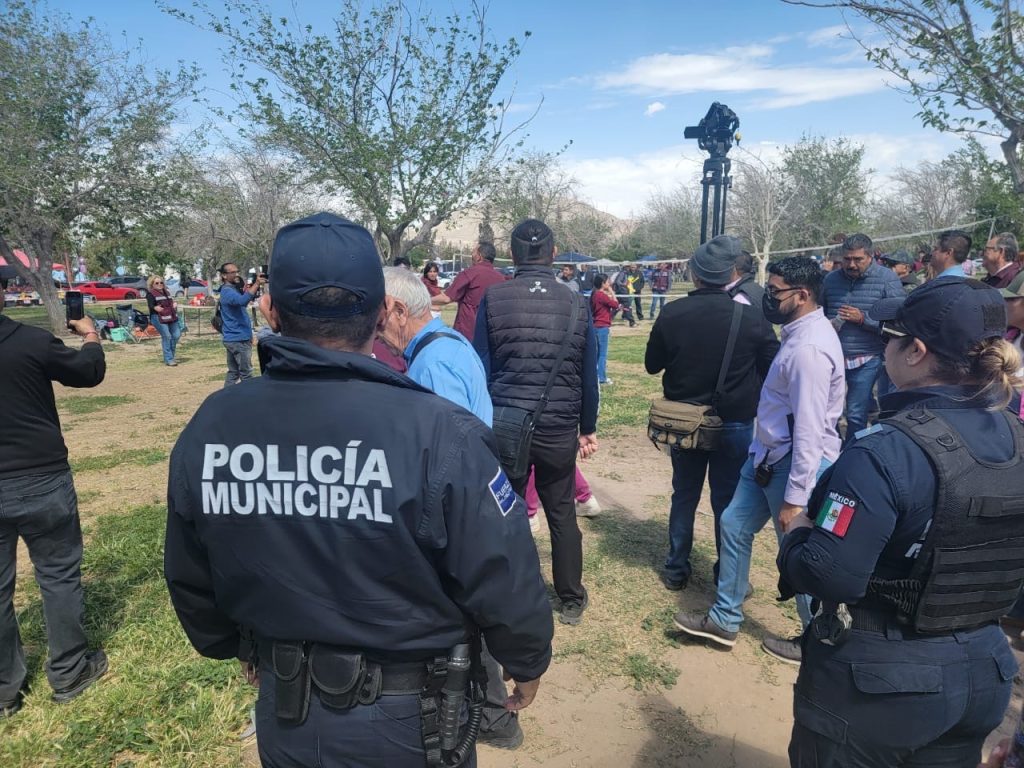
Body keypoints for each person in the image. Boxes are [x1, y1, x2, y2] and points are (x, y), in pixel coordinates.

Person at [164, 212, 553, 768]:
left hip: (292, 711)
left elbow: (189, 567)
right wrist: (527, 657)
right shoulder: (438, 431)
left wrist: (236, 644)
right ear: (382, 311)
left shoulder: (214, 423)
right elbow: (501, 567)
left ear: (269, 310)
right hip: (408, 724)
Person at [780, 277, 1022, 767]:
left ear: (915, 351)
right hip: (983, 671)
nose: (882, 345)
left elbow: (828, 575)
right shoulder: (1015, 435)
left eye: (889, 336)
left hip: (881, 684)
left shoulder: (885, 451)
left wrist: (799, 531)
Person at [377, 266, 524, 751]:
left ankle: (493, 715)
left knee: (466, 613)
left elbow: (444, 454)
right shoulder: (447, 345)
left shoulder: (432, 363)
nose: (375, 331)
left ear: (398, 310)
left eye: (378, 319)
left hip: (460, 509)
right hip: (473, 497)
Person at [674, 257, 845, 664]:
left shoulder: (809, 350)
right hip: (766, 457)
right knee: (734, 525)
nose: (767, 297)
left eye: (774, 291)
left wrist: (796, 498)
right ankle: (725, 619)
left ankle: (818, 640)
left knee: (799, 554)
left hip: (792, 465)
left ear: (802, 295)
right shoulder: (799, 333)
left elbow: (809, 430)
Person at [473, 218, 599, 626]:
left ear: (512, 254)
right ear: (554, 253)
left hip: (507, 421)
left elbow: (482, 365)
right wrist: (587, 427)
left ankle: (510, 591)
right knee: (561, 512)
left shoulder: (494, 298)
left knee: (505, 510)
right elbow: (588, 374)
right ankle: (571, 596)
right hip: (558, 424)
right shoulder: (576, 302)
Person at [646, 235, 780, 592]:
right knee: (728, 500)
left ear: (695, 274)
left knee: (684, 495)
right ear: (732, 274)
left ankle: (676, 568)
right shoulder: (752, 319)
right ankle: (727, 574)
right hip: (734, 422)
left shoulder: (672, 313)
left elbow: (651, 364)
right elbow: (774, 369)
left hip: (684, 422)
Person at [0, 284, 109, 717]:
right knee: (58, 575)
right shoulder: (30, 341)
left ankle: (5, 690)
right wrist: (90, 334)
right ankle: (69, 672)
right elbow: (88, 372)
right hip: (40, 477)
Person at [821, 233, 904, 444]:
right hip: (833, 358)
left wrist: (863, 319)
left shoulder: (887, 279)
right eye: (847, 259)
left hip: (868, 358)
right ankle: (831, 450)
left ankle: (853, 451)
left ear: (870, 256)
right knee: (827, 411)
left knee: (856, 413)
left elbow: (899, 322)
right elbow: (819, 312)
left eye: (858, 259)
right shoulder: (831, 280)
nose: (851, 264)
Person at [431, 241, 505, 342]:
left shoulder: (469, 274)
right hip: (493, 334)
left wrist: (424, 300)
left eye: (473, 251)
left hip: (468, 333)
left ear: (479, 256)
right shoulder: (501, 278)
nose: (471, 254)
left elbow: (446, 299)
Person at [216, 262, 264, 387]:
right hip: (238, 339)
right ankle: (247, 398)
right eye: (233, 272)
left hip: (233, 337)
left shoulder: (230, 290)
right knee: (246, 374)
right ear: (224, 275)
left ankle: (226, 396)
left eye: (237, 271)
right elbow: (243, 301)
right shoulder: (227, 291)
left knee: (233, 372)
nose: (236, 274)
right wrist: (257, 284)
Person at [590, 274, 631, 384]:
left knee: (597, 354)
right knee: (602, 354)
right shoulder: (601, 295)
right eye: (608, 282)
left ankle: (595, 376)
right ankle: (601, 378)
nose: (609, 284)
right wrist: (612, 292)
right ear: (602, 283)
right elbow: (616, 304)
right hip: (602, 327)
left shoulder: (594, 294)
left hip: (595, 326)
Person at [145, 275, 181, 366]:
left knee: (176, 335)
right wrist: (155, 307)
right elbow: (151, 305)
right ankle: (169, 359)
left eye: (161, 282)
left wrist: (174, 304)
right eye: (157, 283)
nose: (159, 284)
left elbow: (171, 302)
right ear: (152, 284)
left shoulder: (167, 292)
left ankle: (170, 356)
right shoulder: (150, 294)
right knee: (167, 336)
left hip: (171, 316)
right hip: (158, 317)